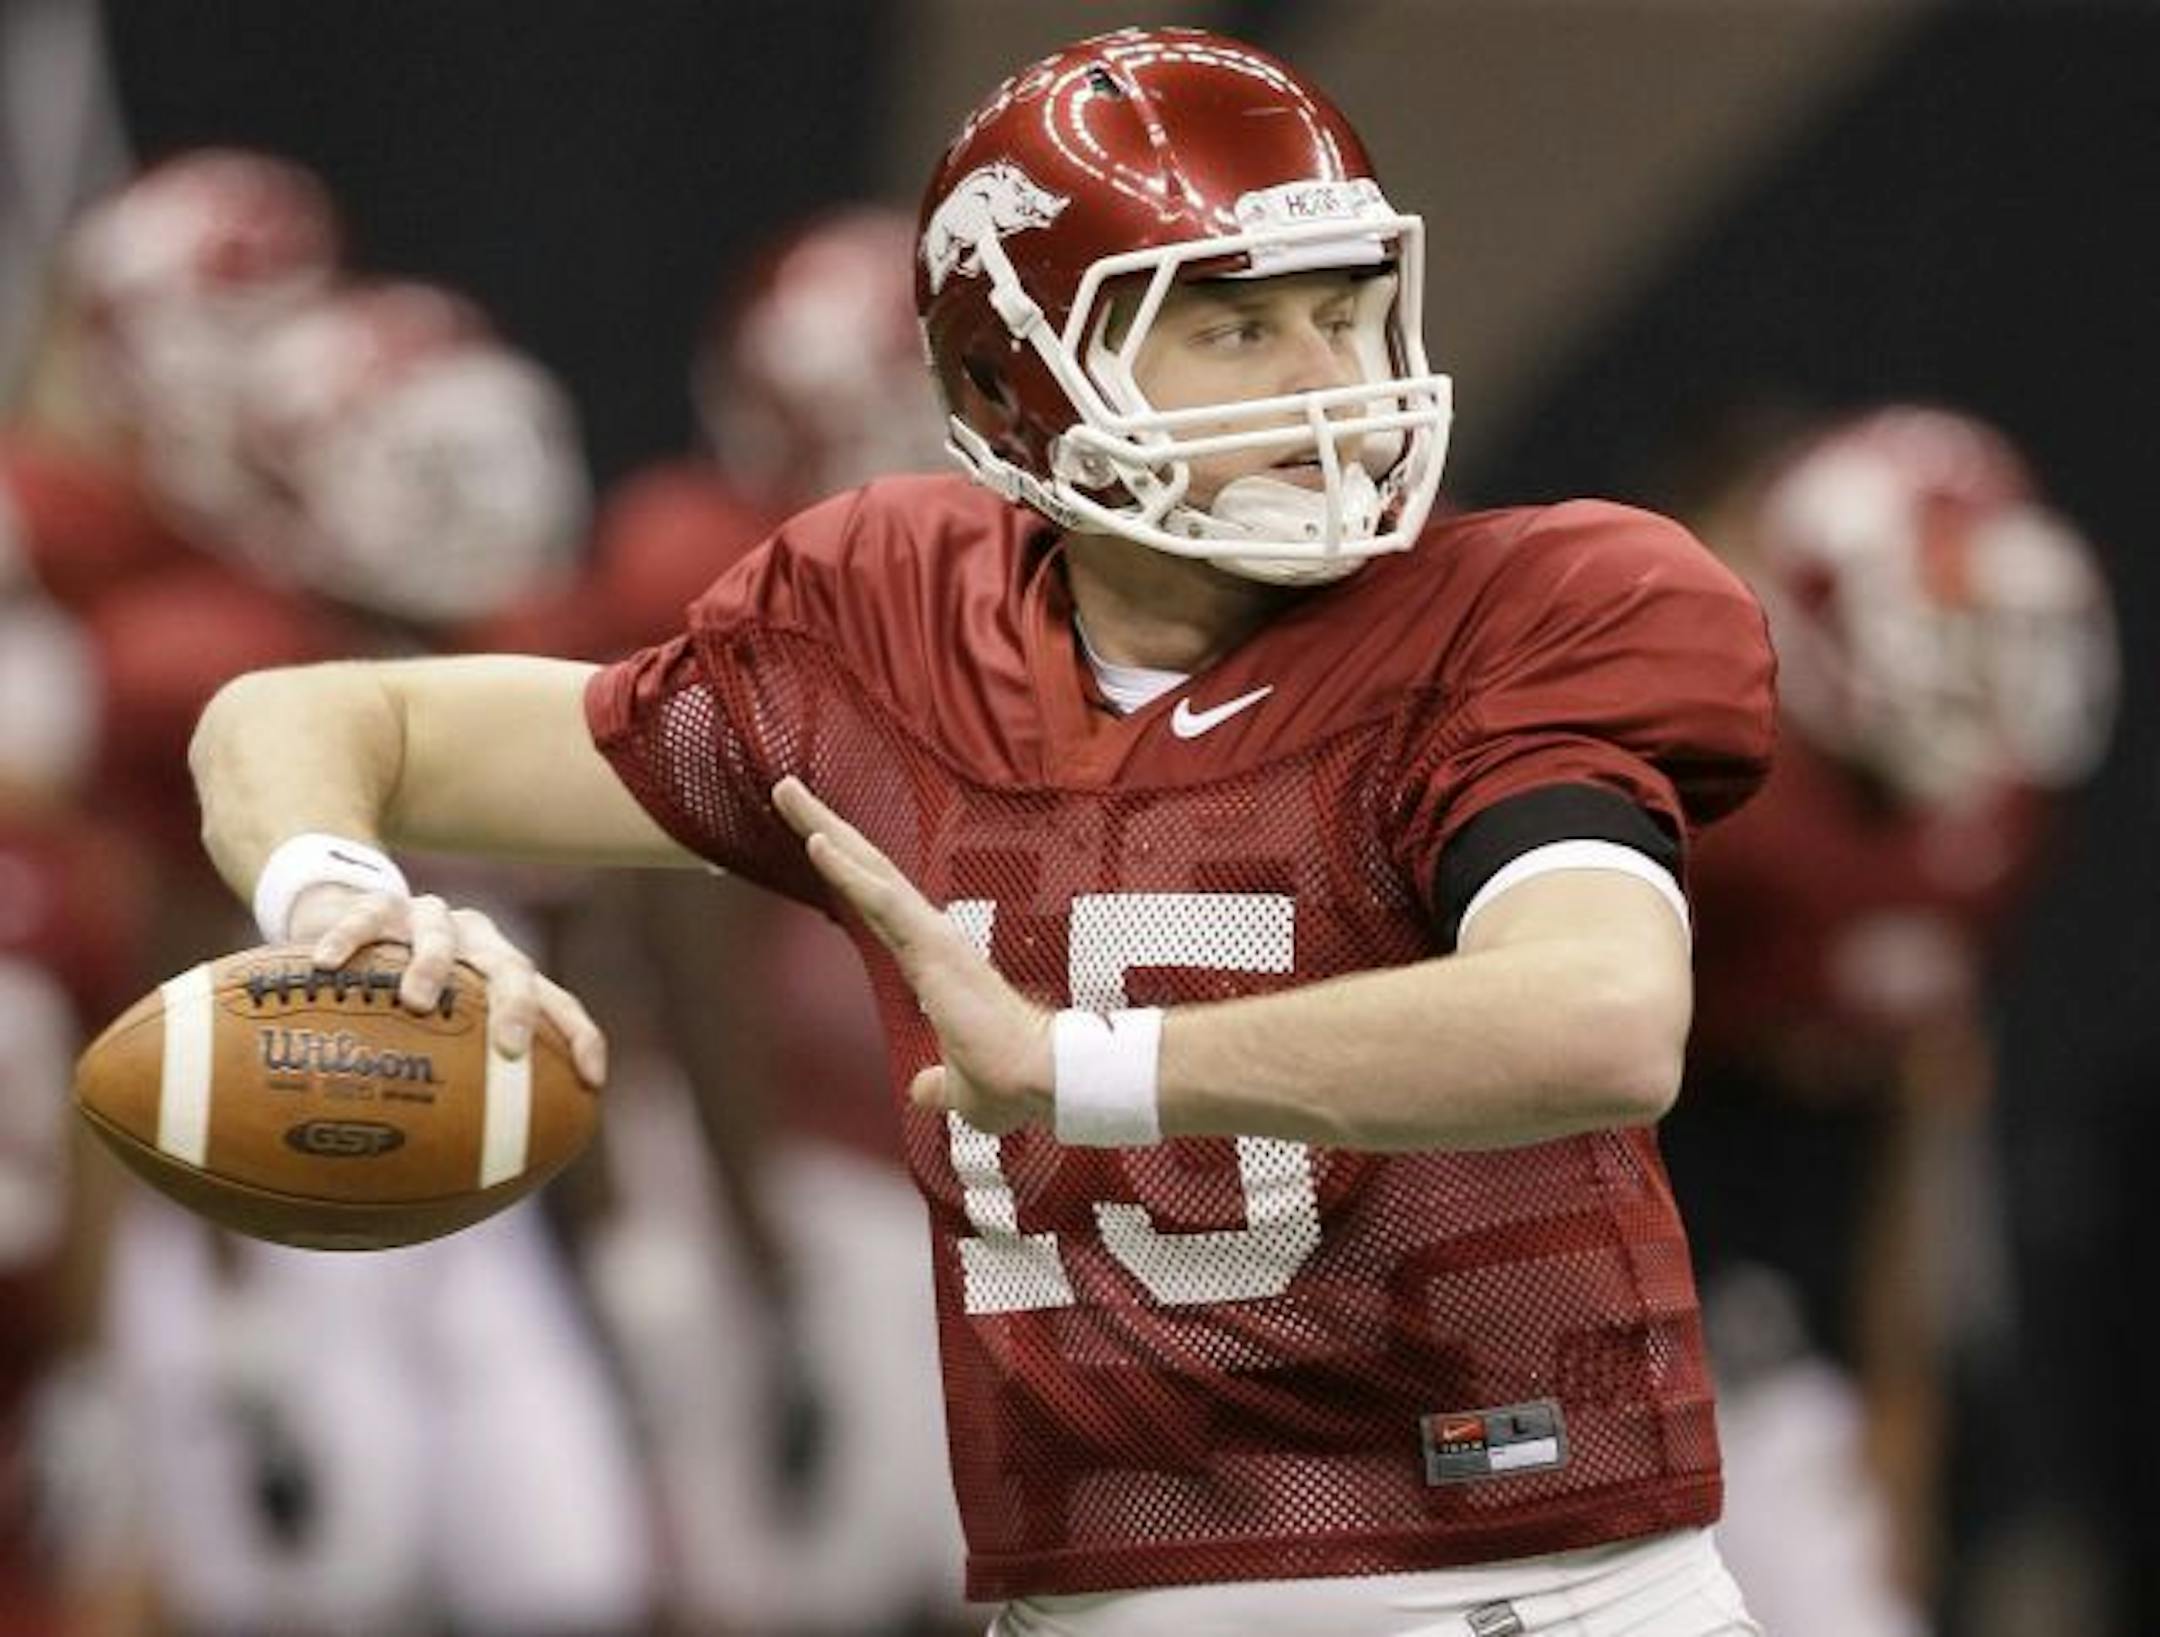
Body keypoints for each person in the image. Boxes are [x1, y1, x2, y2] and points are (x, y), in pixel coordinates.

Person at [190, 27, 1778, 1636]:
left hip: (1523, 1590)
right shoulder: (889, 646)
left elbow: (1601, 1014)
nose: (1329, 381)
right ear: (1010, 381)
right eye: (1235, 327)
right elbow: (317, 718)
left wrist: (1082, 1066)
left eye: (1346, 306)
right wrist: (337, 895)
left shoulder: (1512, 624)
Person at [1656, 403, 2118, 1636]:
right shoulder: (1702, 782)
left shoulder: (1988, 821)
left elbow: (1923, 1104)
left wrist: (1904, 1420)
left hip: (1796, 1269)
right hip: (1610, 1229)